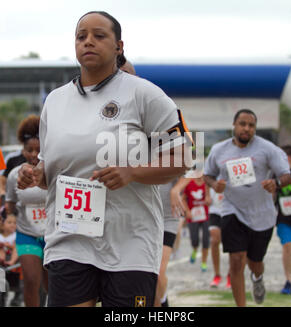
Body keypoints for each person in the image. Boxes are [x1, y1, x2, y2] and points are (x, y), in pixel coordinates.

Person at [17, 11, 190, 307]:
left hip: (130, 244)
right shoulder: (55, 102)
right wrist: (35, 174)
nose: (88, 42)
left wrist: (133, 172)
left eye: (99, 36)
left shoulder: (146, 95)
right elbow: (50, 170)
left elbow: (183, 156)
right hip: (69, 240)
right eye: (81, 36)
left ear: (119, 46)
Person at [203, 108, 291, 307]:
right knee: (236, 259)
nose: (246, 128)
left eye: (251, 125)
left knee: (255, 262)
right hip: (232, 209)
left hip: (262, 215)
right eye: (242, 124)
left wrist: (275, 183)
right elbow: (207, 174)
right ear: (234, 125)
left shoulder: (267, 149)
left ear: (255, 129)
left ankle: (258, 278)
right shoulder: (219, 150)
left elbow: (286, 175)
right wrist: (214, 184)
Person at [6, 115, 48, 307]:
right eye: (29, 150)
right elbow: (10, 205)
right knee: (31, 281)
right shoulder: (15, 175)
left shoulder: (53, 171)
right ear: (23, 149)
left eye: (38, 150)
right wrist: (9, 214)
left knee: (53, 286)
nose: (33, 154)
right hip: (27, 235)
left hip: (52, 236)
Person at [276, 145, 291, 295]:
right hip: (283, 218)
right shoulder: (276, 172)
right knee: (288, 246)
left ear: (288, 157)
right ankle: (289, 281)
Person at [155, 180, 181, 307]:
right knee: (148, 276)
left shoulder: (169, 159)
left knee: (158, 273)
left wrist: (176, 189)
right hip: (146, 220)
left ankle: (163, 302)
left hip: (168, 219)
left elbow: (196, 167)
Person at [182, 176, 210, 271]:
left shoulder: (206, 183)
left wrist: (208, 200)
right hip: (193, 216)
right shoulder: (189, 183)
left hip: (205, 216)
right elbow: (184, 199)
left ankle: (204, 263)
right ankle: (194, 250)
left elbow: (210, 199)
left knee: (206, 240)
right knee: (195, 240)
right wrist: (187, 211)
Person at [208, 187, 231, 288]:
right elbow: (206, 176)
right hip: (215, 209)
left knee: (231, 242)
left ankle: (231, 275)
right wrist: (207, 195)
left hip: (230, 208)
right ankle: (217, 275)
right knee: (214, 240)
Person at [0, 213, 23, 306]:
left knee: (16, 247)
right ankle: (2, 261)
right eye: (9, 222)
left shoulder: (15, 236)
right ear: (2, 224)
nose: (12, 224)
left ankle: (11, 262)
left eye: (15, 223)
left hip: (13, 259)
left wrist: (7, 245)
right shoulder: (1, 235)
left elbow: (15, 246)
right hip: (3, 256)